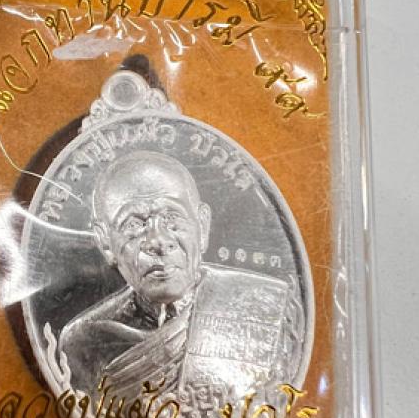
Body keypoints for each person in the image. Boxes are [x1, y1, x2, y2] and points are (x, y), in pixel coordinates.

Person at [56, 150, 295, 399]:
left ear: (202, 226)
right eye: (134, 225)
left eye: (172, 218)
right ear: (105, 242)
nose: (158, 241)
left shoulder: (265, 307)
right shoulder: (83, 342)